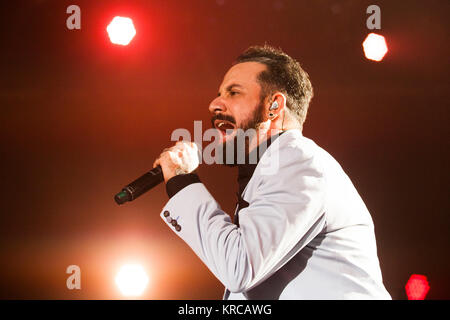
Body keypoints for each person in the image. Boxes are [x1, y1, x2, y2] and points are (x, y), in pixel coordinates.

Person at [153, 45, 391, 299]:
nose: (214, 104)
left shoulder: (300, 163)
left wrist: (182, 181)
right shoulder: (273, 170)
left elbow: (239, 266)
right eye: (219, 93)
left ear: (274, 107)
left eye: (233, 92)